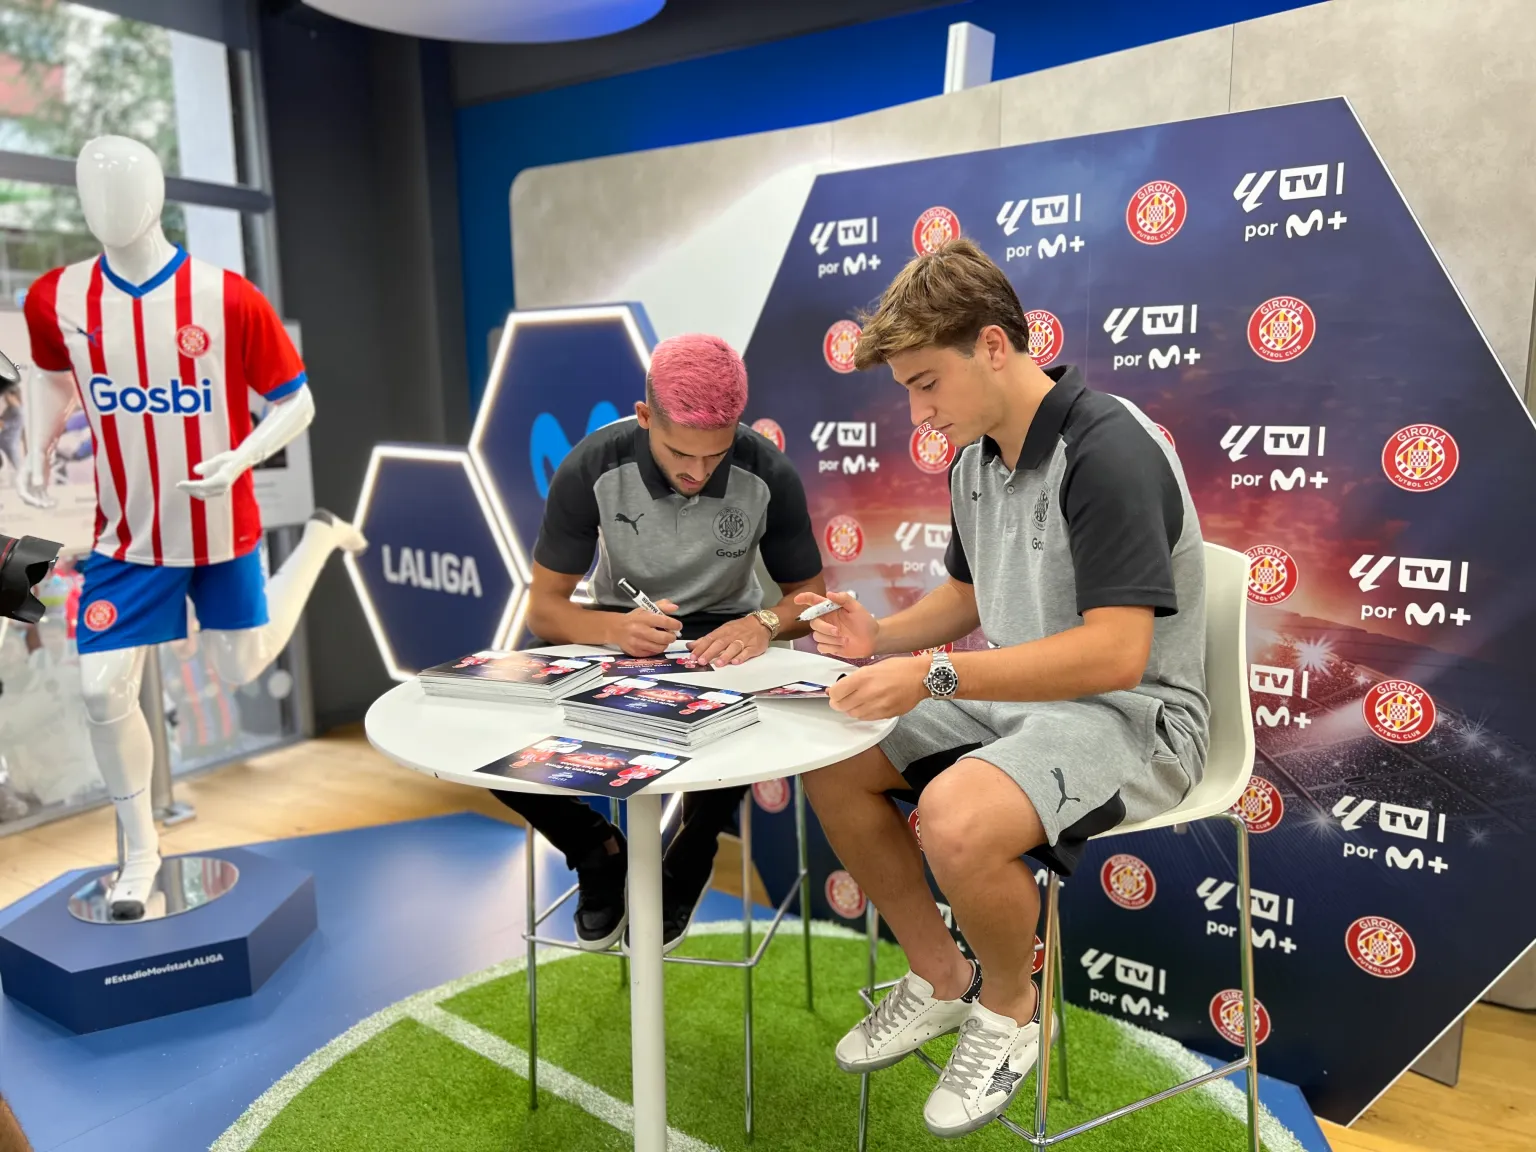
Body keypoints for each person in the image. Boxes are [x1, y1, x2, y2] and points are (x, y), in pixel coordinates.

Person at [796, 238, 1207, 1138]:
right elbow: (969, 595)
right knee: (833, 755)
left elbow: (1115, 655)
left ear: (992, 346)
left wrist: (932, 672)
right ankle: (942, 978)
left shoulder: (1110, 447)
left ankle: (1015, 1010)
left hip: (1140, 720)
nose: (918, 410)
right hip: (1024, 707)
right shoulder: (976, 458)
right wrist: (881, 637)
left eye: (926, 382)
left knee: (955, 816)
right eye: (906, 387)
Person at [500, 333, 826, 953]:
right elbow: (544, 608)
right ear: (644, 416)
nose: (697, 474)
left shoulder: (768, 473)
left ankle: (694, 849)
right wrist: (610, 630)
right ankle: (594, 847)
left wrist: (762, 625)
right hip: (610, 626)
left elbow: (810, 603)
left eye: (715, 456)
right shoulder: (591, 465)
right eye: (680, 453)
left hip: (724, 633)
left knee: (750, 712)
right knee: (489, 724)